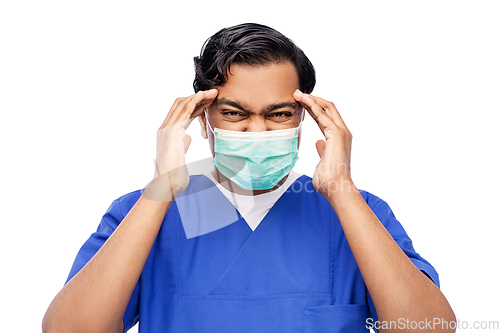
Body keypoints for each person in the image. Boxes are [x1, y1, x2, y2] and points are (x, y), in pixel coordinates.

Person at [42, 23, 455, 332]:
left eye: (278, 114)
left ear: (304, 119)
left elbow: (429, 327)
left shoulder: (357, 214)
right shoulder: (144, 213)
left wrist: (342, 190)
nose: (257, 132)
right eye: (234, 113)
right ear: (201, 120)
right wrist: (161, 188)